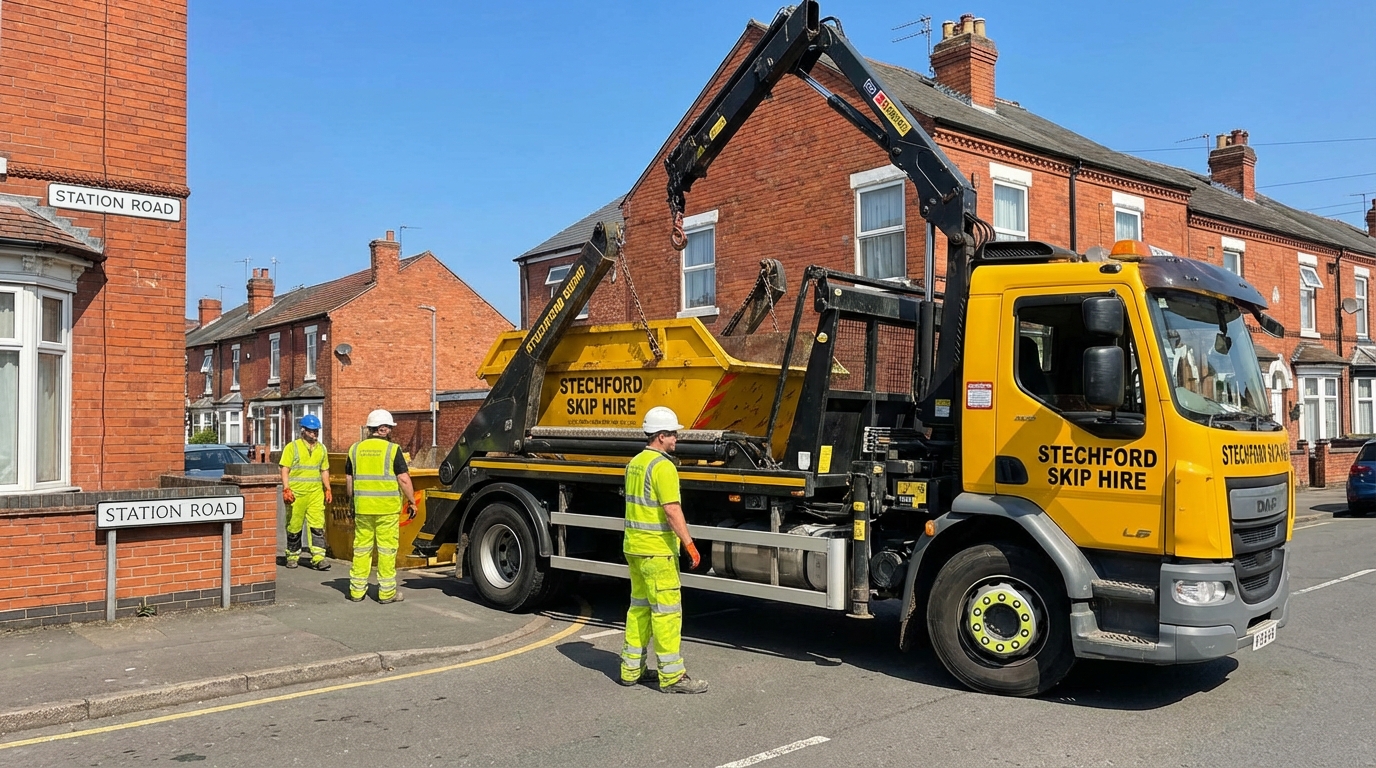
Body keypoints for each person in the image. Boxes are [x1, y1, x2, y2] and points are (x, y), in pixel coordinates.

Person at [619, 406, 708, 694]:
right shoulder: (663, 466)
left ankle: (631, 670)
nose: (675, 439)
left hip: (635, 548)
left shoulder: (635, 463)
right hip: (657, 552)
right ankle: (672, 677)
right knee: (667, 613)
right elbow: (671, 510)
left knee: (639, 608)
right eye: (672, 434)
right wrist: (690, 545)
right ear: (660, 436)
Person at [344, 409, 416, 604]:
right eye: (389, 427)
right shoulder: (393, 450)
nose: (390, 430)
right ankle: (386, 593)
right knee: (386, 550)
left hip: (363, 509)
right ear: (383, 429)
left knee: (361, 549)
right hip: (386, 510)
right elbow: (403, 479)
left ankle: (357, 591)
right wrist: (412, 501)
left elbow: (349, 481)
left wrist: (353, 502)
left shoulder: (354, 449)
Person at [279, 414, 332, 570]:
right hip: (297, 494)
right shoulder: (292, 447)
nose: (314, 434)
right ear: (303, 431)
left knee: (317, 525)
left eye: (316, 431)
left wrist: (327, 488)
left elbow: (324, 470)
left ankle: (318, 557)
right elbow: (285, 469)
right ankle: (292, 556)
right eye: (311, 431)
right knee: (294, 526)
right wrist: (286, 488)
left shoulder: (321, 449)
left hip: (315, 494)